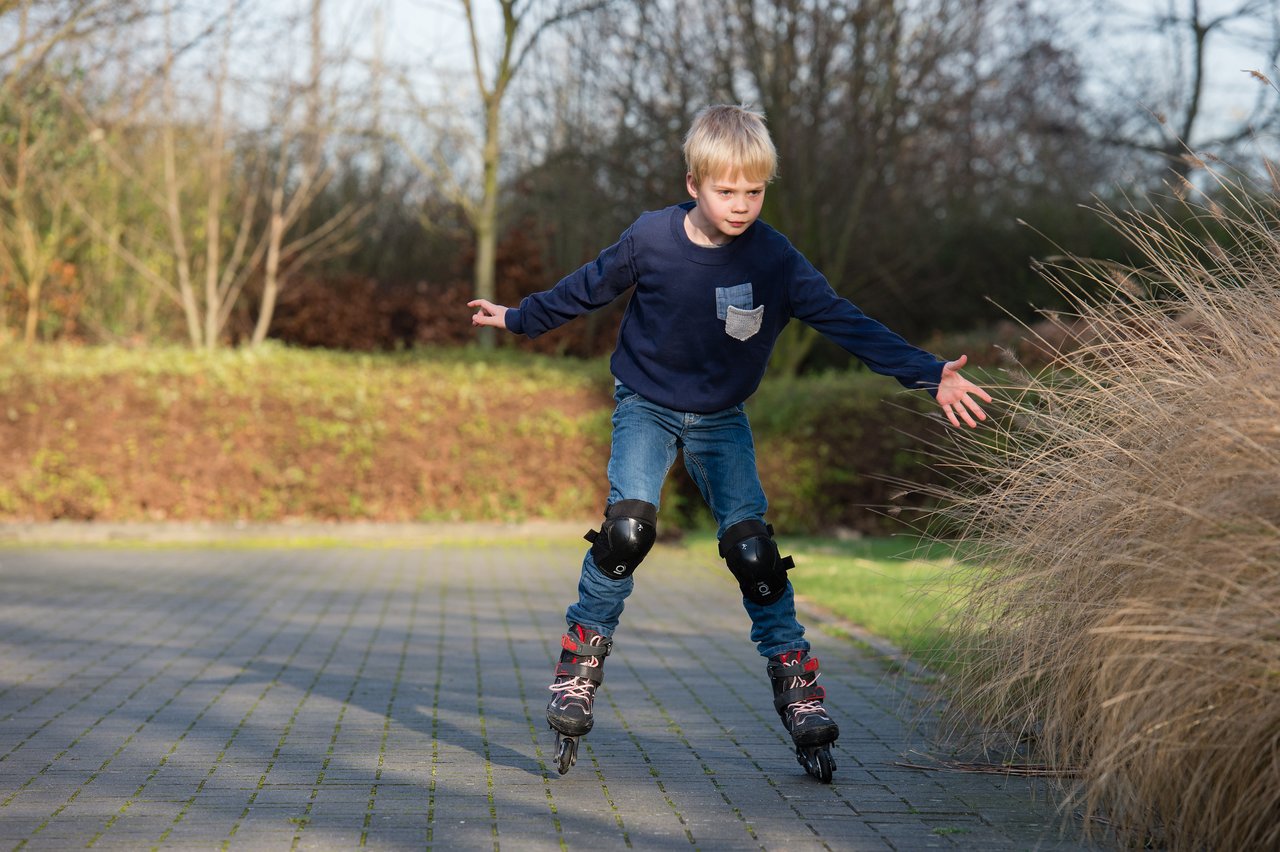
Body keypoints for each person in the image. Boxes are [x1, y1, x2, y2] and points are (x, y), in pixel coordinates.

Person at [468, 104, 991, 781]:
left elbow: (841, 318)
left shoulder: (773, 258)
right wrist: (518, 316)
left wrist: (926, 373)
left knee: (754, 551)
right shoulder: (651, 239)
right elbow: (588, 287)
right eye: (727, 191)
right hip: (646, 407)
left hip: (721, 419)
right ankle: (579, 664)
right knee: (627, 532)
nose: (741, 204)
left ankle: (796, 682)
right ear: (694, 184)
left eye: (754, 191)